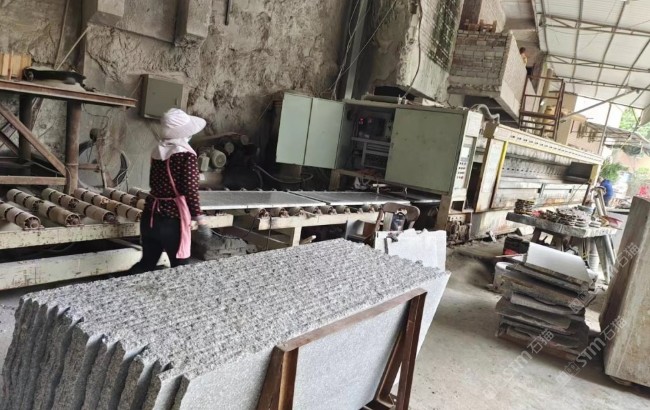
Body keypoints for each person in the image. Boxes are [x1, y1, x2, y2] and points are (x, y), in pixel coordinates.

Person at [137, 108, 212, 271]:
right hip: (172, 221)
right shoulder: (186, 155)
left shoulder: (157, 151)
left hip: (150, 216)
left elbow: (154, 184)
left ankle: (120, 284)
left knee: (146, 264)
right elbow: (190, 190)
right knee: (180, 269)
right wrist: (200, 219)